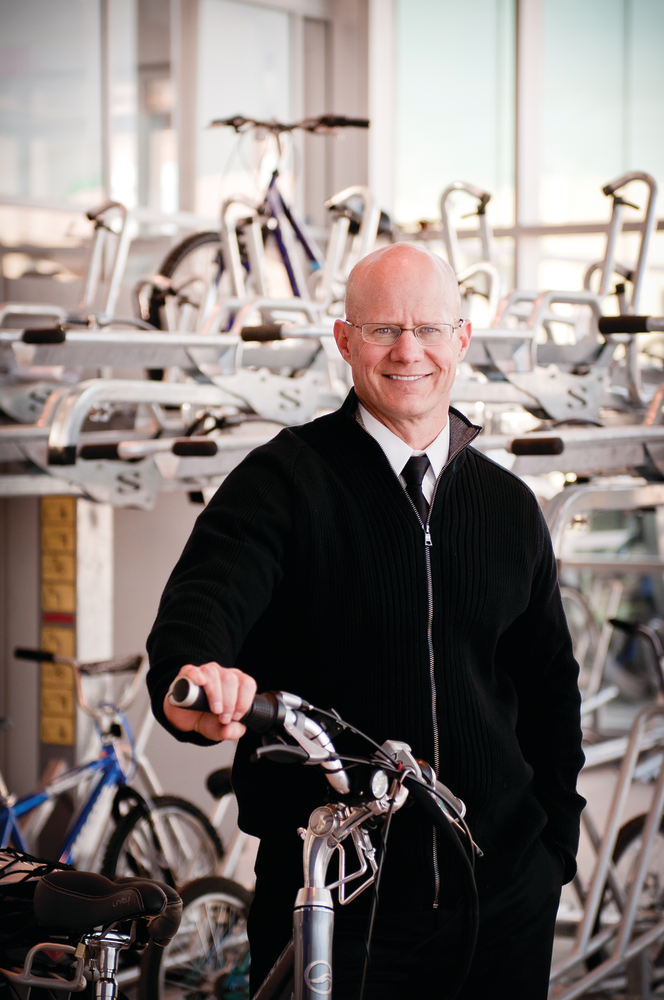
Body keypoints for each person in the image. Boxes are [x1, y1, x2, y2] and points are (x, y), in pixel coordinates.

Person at [147, 243, 585, 999]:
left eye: (427, 329)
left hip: (505, 903)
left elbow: (550, 689)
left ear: (462, 340)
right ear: (345, 341)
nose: (407, 350)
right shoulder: (283, 481)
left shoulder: (510, 507)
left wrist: (554, 851)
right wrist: (197, 673)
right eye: (382, 330)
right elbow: (204, 604)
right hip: (336, 903)